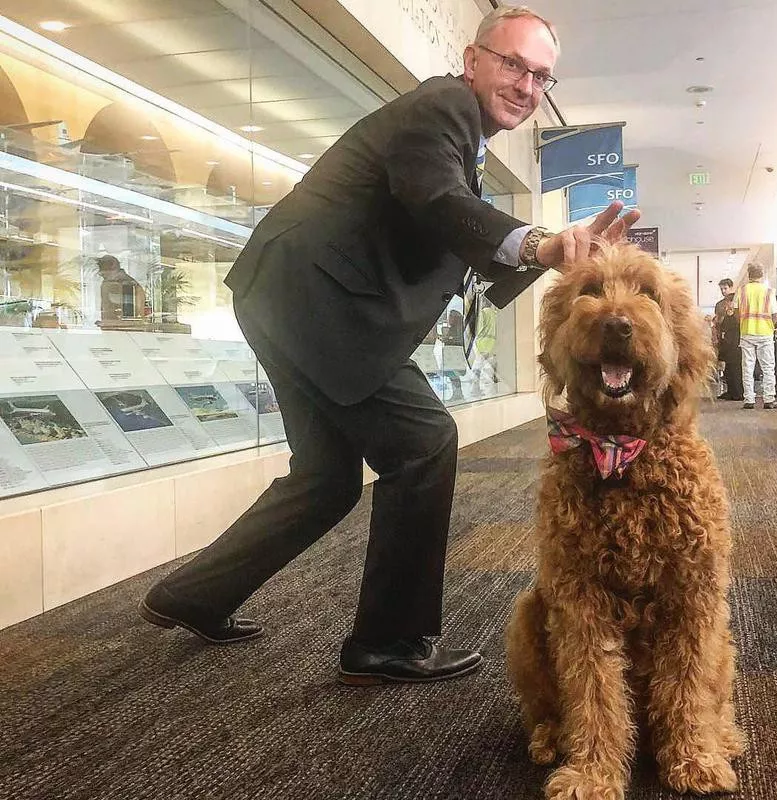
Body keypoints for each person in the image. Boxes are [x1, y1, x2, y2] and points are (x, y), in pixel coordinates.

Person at [138, 5, 640, 684]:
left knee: (326, 479)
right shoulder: (442, 108)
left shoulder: (462, 131)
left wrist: (546, 253)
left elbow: (439, 219)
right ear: (473, 60)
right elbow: (434, 199)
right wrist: (540, 244)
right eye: (513, 64)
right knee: (425, 440)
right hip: (316, 303)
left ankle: (193, 594)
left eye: (540, 76)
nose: (526, 84)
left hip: (289, 298)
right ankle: (389, 642)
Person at [733, 263, 777, 409]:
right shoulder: (768, 291)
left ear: (749, 275)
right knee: (767, 367)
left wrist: (744, 323)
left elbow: (736, 313)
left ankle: (749, 400)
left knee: (747, 367)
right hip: (765, 333)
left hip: (747, 332)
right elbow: (774, 314)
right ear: (762, 275)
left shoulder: (741, 291)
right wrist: (769, 326)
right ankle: (768, 399)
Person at [96, 254, 146, 326]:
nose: (101, 274)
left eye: (104, 271)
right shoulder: (108, 283)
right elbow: (106, 310)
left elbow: (134, 316)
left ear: (113, 267)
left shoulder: (129, 286)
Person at [717, 295, 743, 401]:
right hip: (727, 345)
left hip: (735, 345)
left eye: (729, 302)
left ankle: (738, 392)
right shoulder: (727, 316)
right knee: (728, 370)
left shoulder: (737, 317)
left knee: (736, 370)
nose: (727, 305)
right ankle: (731, 391)